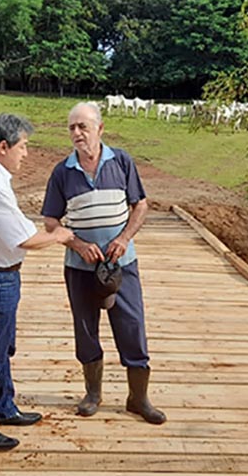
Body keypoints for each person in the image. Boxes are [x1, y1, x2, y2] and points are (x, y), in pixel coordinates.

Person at [41, 102, 166, 425]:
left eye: (83, 126)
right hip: (80, 268)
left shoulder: (121, 161)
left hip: (122, 265)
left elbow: (140, 205)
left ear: (100, 128)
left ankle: (138, 398)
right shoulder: (62, 172)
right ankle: (93, 393)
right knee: (85, 329)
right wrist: (78, 244)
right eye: (71, 128)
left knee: (132, 325)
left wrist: (123, 239)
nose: (77, 133)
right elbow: (51, 222)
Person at [0, 113, 74, 451]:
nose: (26, 153)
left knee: (1, 348)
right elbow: (22, 238)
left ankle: (3, 406)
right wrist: (59, 235)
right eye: (23, 147)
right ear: (3, 146)